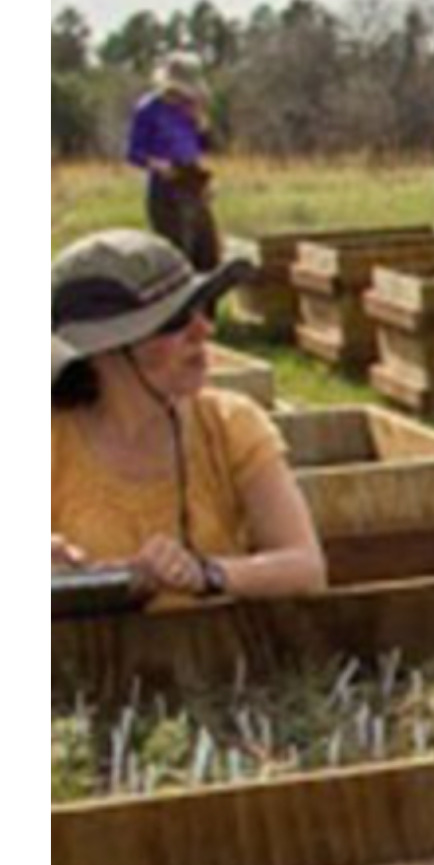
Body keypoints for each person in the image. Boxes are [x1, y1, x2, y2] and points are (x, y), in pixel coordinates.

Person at [51, 229, 327, 604]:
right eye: (175, 321)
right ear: (106, 350)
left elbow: (306, 567)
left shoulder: (231, 425)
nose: (204, 330)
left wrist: (208, 573)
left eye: (205, 309)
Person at [126, 51, 219, 271]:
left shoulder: (191, 109)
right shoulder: (148, 109)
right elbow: (133, 153)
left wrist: (201, 125)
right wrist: (157, 164)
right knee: (178, 255)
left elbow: (205, 147)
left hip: (193, 181)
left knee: (206, 254)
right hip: (165, 188)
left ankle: (206, 305)